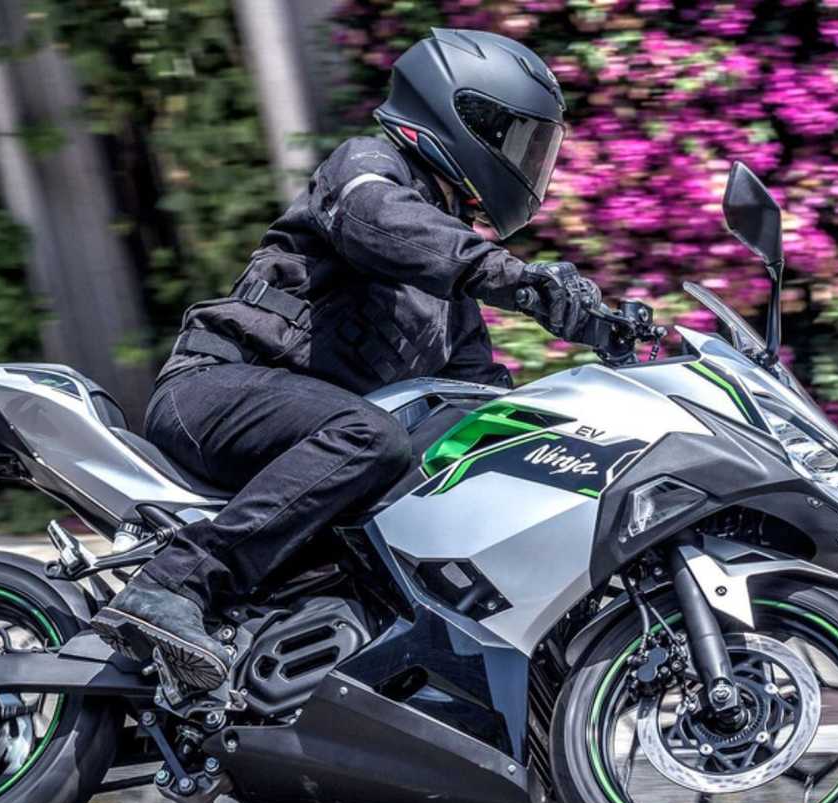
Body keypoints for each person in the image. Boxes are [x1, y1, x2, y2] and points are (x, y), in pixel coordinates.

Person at [95, 28, 626, 696]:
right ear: (462, 117)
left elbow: (483, 407)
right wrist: (520, 282)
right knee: (374, 438)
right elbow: (383, 223)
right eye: (517, 140)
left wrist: (575, 444)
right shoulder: (367, 170)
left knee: (428, 489)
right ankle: (174, 581)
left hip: (308, 436)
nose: (529, 163)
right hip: (213, 390)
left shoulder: (452, 304)